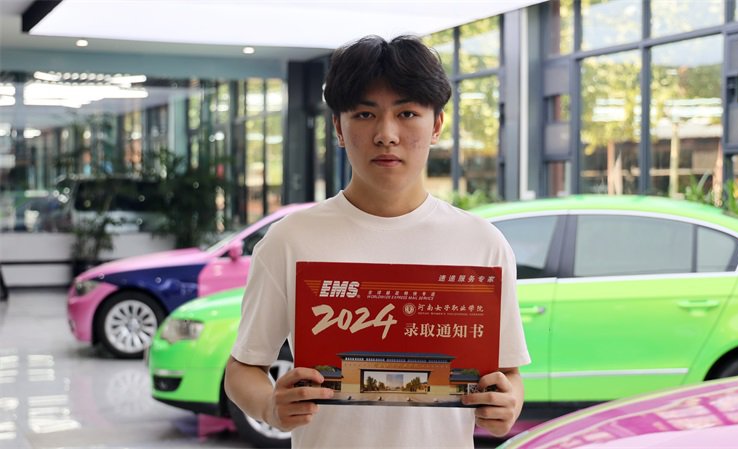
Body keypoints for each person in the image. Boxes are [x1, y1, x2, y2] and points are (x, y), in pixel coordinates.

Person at [224, 34, 530, 448]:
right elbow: (242, 368)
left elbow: (508, 374)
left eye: (407, 113)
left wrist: (507, 405)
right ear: (338, 127)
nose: (386, 134)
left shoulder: (482, 243)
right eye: (365, 114)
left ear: (436, 125)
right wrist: (269, 407)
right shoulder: (291, 239)